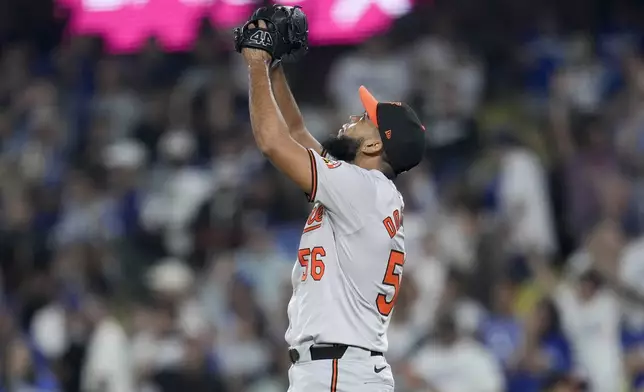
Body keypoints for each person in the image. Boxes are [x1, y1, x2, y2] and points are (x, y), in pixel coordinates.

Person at [236, 15, 426, 392]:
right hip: (343, 369)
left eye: (363, 119)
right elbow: (295, 133)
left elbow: (274, 142)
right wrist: (275, 67)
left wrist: (256, 61)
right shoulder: (364, 191)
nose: (352, 119)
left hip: (338, 372)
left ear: (374, 145)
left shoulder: (362, 189)